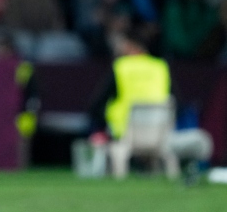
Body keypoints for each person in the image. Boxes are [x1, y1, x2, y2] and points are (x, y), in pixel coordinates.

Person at [88, 31, 212, 182]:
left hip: (125, 133)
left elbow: (95, 106)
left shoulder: (121, 67)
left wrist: (105, 122)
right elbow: (178, 105)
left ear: (130, 46)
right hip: (161, 134)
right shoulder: (161, 67)